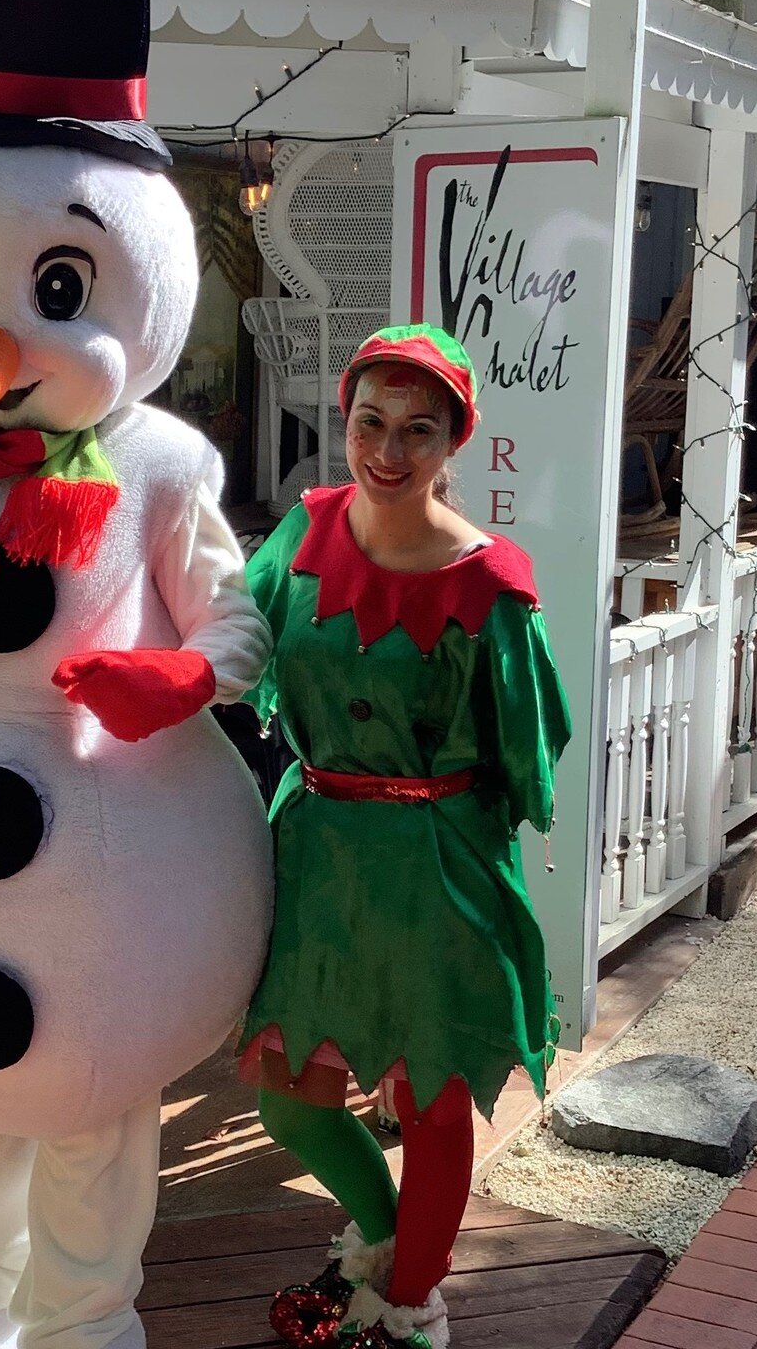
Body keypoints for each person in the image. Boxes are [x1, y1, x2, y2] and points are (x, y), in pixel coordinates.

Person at [237, 324, 571, 1349]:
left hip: (439, 865)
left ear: (452, 442)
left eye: (417, 431)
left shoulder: (490, 583)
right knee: (290, 1097)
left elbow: (530, 743)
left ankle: (412, 1306)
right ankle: (381, 1249)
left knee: (432, 1106)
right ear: (346, 421)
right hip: (319, 855)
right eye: (370, 423)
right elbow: (229, 640)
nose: (388, 450)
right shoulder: (299, 535)